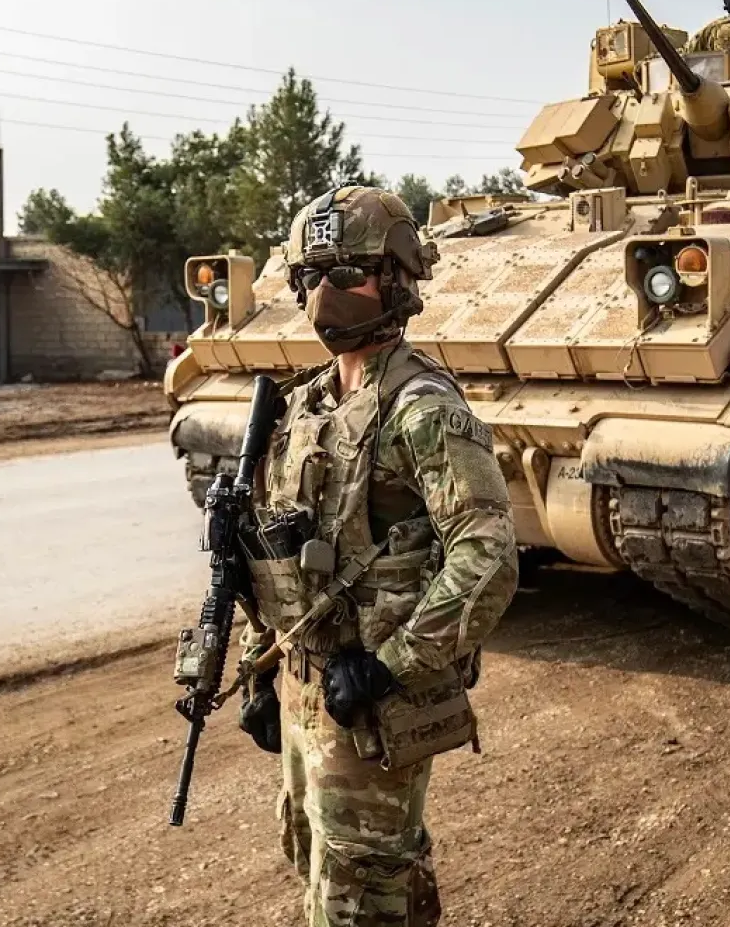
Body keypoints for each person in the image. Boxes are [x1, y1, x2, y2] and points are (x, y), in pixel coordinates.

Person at [239, 184, 519, 926]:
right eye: (310, 276)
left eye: (346, 272)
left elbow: (486, 554)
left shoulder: (423, 407)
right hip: (309, 688)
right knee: (321, 859)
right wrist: (260, 666)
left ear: (395, 279)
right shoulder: (305, 407)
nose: (323, 294)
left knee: (359, 892)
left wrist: (391, 665)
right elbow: (272, 551)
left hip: (375, 696)